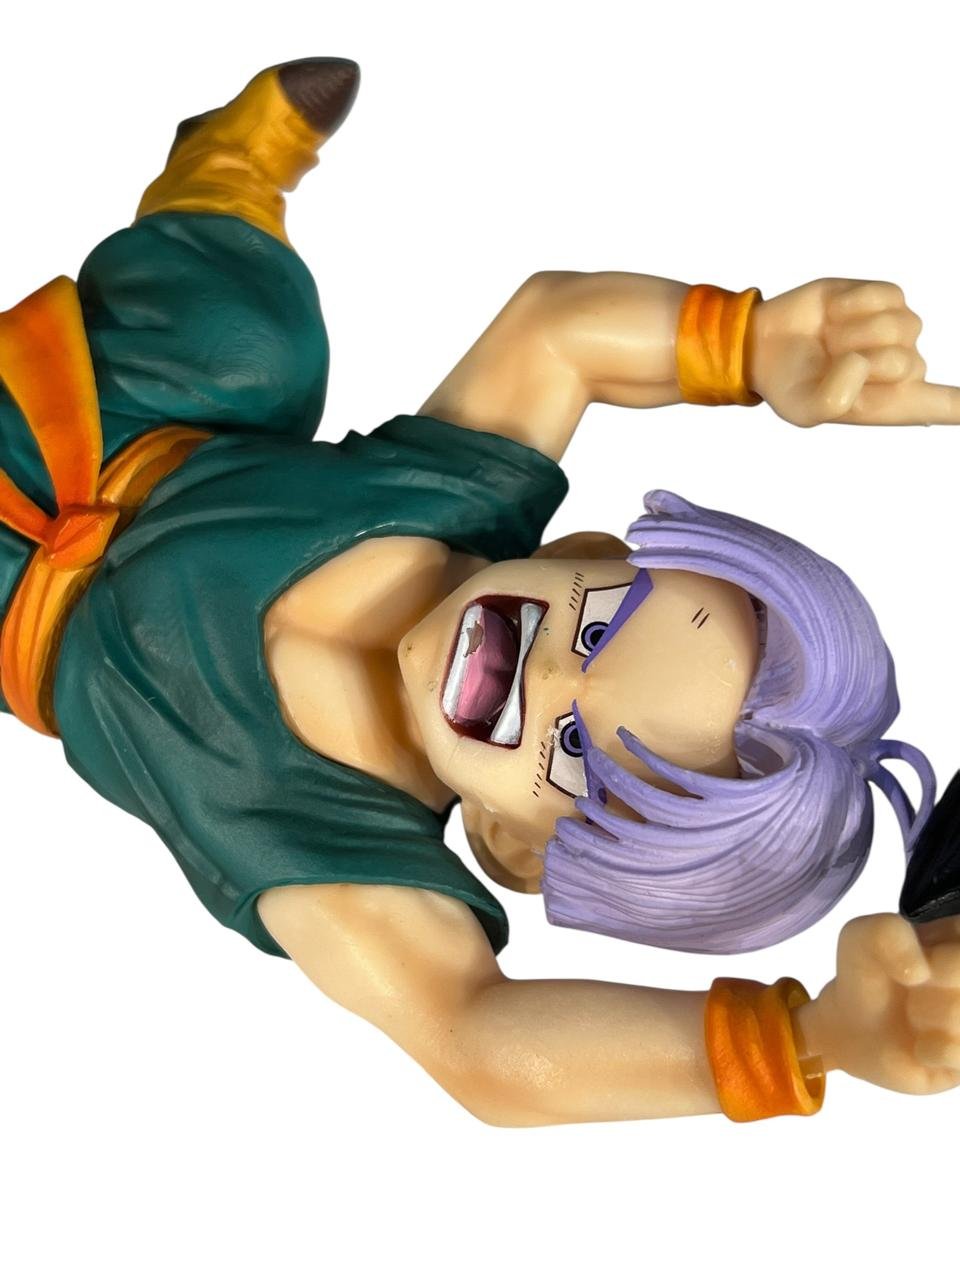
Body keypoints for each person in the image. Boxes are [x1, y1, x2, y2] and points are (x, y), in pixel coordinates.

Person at [2, 58, 959, 1127]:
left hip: (11, 615)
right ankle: (221, 175)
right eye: (596, 629)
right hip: (130, 412)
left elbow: (487, 1044)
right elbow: (558, 330)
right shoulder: (465, 502)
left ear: (520, 843)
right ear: (579, 551)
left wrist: (808, 1041)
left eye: (577, 750)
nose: (548, 676)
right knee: (256, 343)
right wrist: (752, 342)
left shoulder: (336, 843)